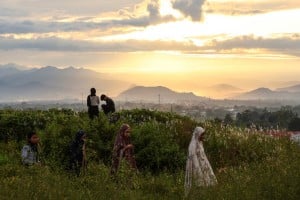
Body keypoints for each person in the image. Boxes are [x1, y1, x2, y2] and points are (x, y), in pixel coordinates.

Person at [184, 127, 217, 195]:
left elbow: (203, 155)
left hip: (204, 164)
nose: (203, 136)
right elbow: (193, 158)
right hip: (198, 166)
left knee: (208, 181)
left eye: (203, 134)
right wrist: (198, 169)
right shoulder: (193, 145)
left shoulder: (200, 143)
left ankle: (206, 194)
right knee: (199, 183)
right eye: (202, 135)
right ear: (198, 135)